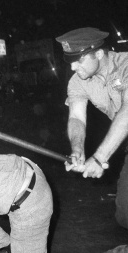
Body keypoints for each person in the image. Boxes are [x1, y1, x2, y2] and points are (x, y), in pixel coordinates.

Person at [56, 27, 128, 230]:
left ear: (98, 53)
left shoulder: (126, 64)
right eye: (70, 61)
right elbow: (77, 118)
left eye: (79, 60)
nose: (73, 67)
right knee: (125, 214)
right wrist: (77, 150)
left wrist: (99, 158)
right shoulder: (78, 81)